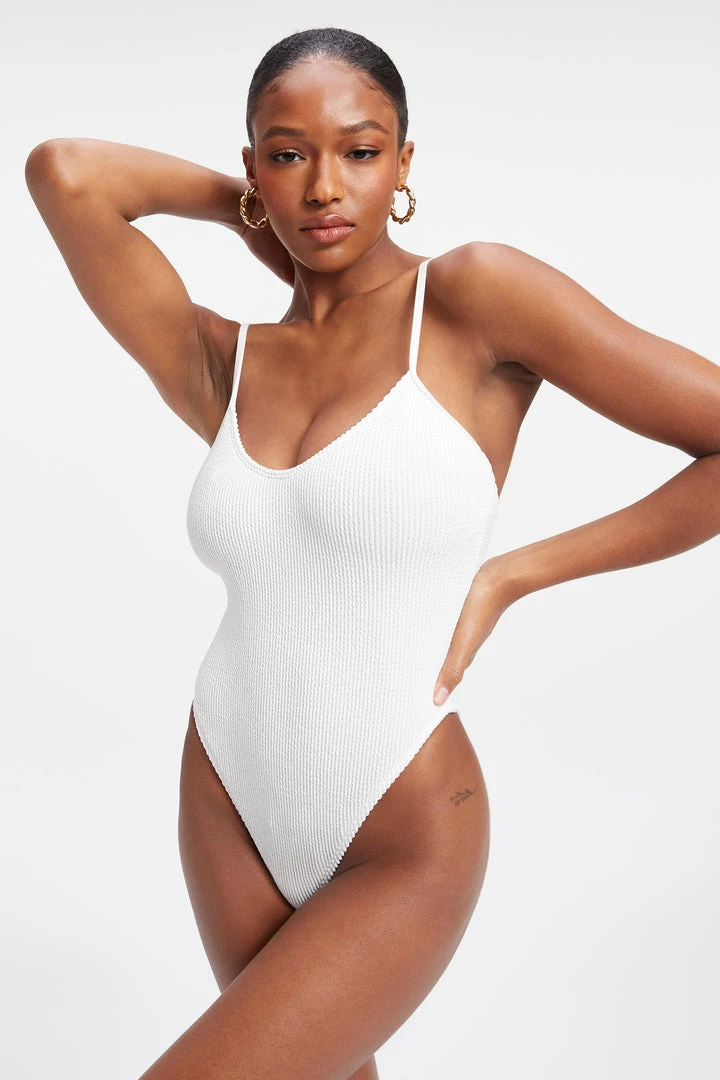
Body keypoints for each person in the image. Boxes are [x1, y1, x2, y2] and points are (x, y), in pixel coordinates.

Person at [24, 24, 720, 1080]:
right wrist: (248, 211)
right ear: (254, 165)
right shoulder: (222, 362)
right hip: (227, 797)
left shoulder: (472, 299)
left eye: (359, 151)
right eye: (288, 155)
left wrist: (515, 574)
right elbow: (65, 173)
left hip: (401, 820)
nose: (324, 187)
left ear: (403, 162)